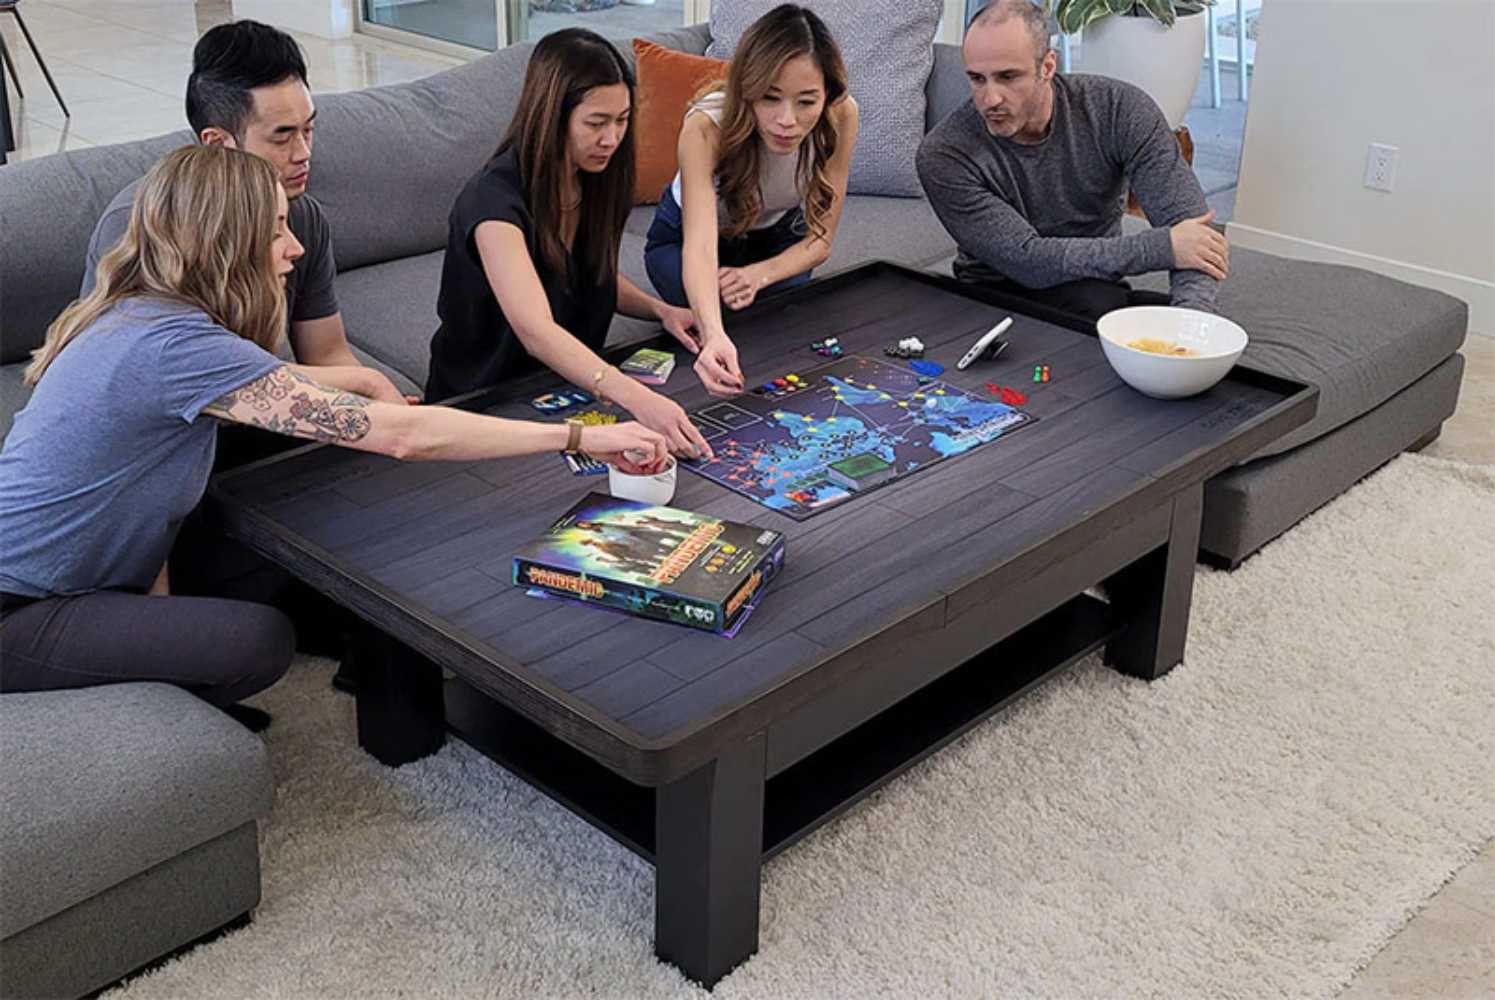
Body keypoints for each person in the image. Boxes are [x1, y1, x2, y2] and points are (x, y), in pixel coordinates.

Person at [0, 146, 667, 726]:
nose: (294, 248)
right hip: (21, 607)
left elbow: (265, 389)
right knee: (261, 641)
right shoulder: (180, 348)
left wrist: (357, 380)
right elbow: (404, 437)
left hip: (66, 572)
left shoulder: (144, 310)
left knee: (267, 545)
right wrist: (579, 437)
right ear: (227, 242)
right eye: (278, 231)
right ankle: (158, 707)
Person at [80, 20, 406, 406]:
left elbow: (327, 354)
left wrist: (381, 411)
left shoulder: (300, 217)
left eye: (309, 130)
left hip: (277, 416)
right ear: (218, 143)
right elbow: (156, 385)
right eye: (282, 136)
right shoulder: (143, 227)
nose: (303, 153)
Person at [427, 29, 719, 459]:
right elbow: (536, 331)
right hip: (485, 403)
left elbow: (585, 270)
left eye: (622, 120)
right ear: (551, 116)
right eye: (596, 123)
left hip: (569, 389)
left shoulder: (596, 177)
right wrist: (635, 397)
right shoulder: (492, 203)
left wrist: (661, 310)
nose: (612, 139)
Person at [916, 0, 1229, 321]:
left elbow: (1195, 234)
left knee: (1194, 327)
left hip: (1094, 281)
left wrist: (1195, 322)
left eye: (1008, 77)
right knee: (1100, 308)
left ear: (1048, 67)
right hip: (997, 292)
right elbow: (1028, 260)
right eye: (977, 79)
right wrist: (1161, 248)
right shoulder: (945, 154)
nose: (990, 99)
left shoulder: (1119, 109)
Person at [644, 4, 858, 366]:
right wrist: (713, 336)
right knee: (704, 310)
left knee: (780, 313)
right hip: (686, 237)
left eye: (807, 101)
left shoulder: (842, 115)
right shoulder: (706, 125)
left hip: (774, 237)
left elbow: (820, 240)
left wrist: (758, 275)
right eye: (770, 98)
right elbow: (698, 246)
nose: (787, 120)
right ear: (748, 89)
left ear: (827, 94)